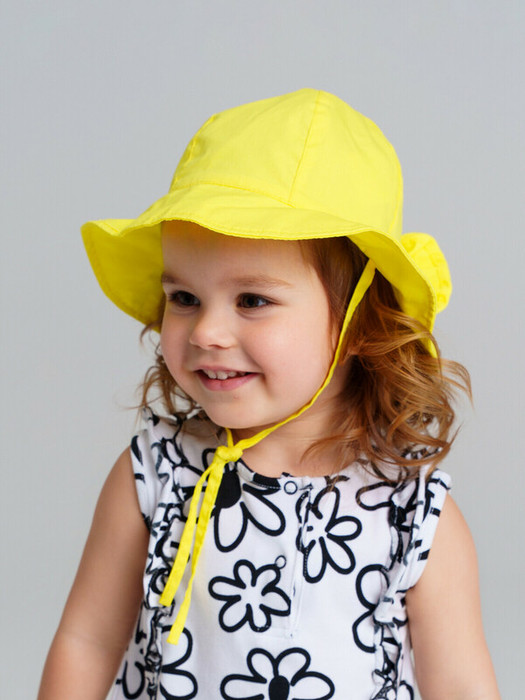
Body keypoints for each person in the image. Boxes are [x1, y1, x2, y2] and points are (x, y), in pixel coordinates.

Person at [38, 89, 500, 700]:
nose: (206, 331)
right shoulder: (155, 475)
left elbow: (461, 685)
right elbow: (88, 641)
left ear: (359, 324)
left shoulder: (412, 512)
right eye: (184, 298)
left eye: (252, 300)